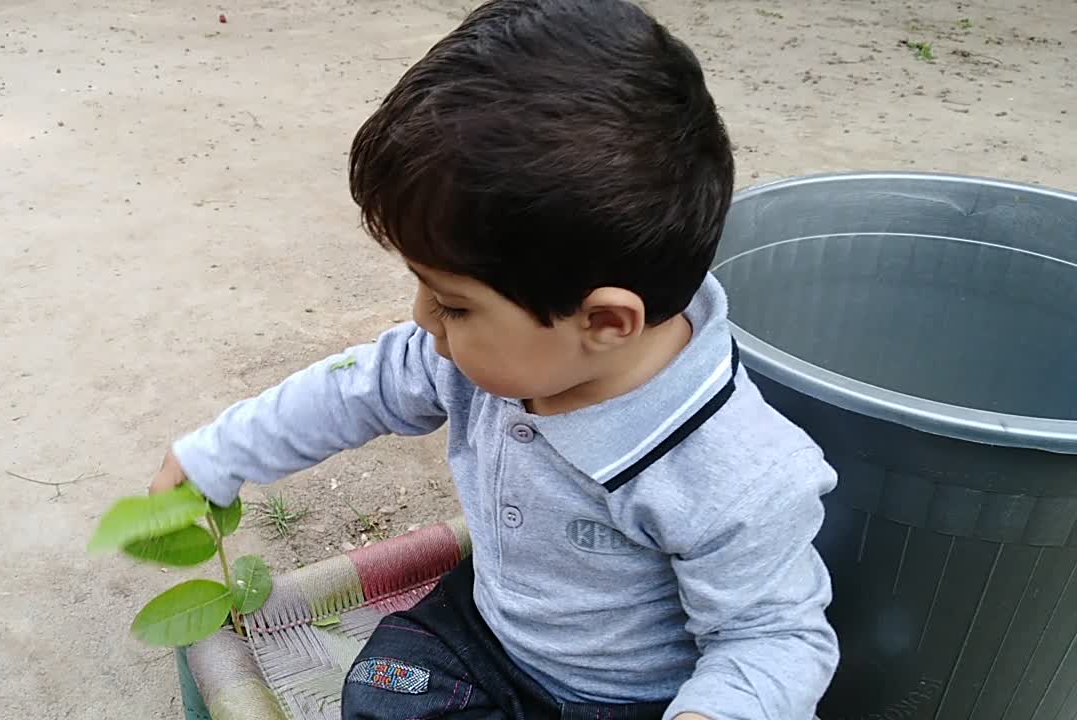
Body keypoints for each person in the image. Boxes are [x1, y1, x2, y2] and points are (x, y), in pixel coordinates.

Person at [149, 0, 839, 717]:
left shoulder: (735, 471)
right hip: (486, 637)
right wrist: (218, 455)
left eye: (452, 304)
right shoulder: (482, 358)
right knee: (382, 693)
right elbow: (354, 388)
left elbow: (775, 636)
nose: (422, 320)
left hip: (637, 699)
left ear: (603, 322)